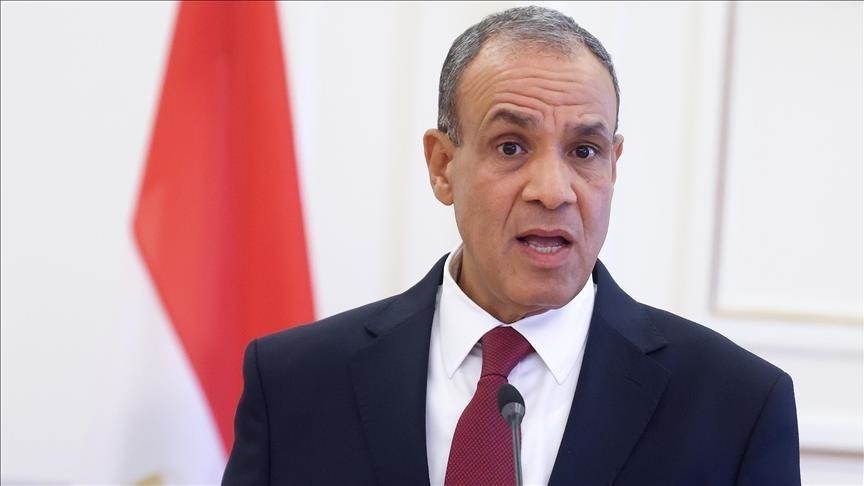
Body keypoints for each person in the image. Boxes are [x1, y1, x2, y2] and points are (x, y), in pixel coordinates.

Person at [223, 6, 800, 485]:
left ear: (613, 166)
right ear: (442, 166)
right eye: (510, 147)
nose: (554, 191)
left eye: (584, 152)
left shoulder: (737, 406)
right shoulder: (295, 383)